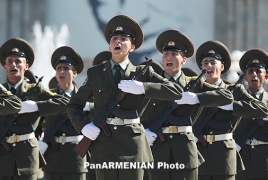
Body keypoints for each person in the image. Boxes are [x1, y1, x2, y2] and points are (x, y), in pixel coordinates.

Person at [67, 14, 184, 180]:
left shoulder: (143, 73)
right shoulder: (96, 73)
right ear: (109, 46)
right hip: (103, 144)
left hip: (132, 144)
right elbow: (73, 105)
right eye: (114, 38)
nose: (118, 42)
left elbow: (176, 91)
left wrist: (144, 87)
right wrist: (84, 126)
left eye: (123, 39)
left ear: (132, 47)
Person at [145, 30, 233, 180]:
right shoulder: (151, 84)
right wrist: (144, 130)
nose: (169, 58)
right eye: (166, 54)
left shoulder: (194, 83)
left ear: (184, 60)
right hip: (157, 152)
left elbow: (226, 96)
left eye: (174, 54)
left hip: (185, 154)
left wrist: (196, 98)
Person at [192, 40, 267, 180]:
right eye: (205, 62)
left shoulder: (234, 91)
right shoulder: (194, 92)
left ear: (222, 67)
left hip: (224, 159)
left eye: (213, 62)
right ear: (201, 66)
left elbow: (261, 109)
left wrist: (232, 106)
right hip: (198, 156)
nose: (208, 66)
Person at [0, 37, 69, 180]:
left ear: (27, 66)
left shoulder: (36, 90)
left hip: (27, 156)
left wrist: (36, 106)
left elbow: (64, 102)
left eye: (18, 61)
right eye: (10, 61)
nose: (14, 65)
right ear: (4, 66)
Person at [39, 46, 91, 180]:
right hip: (52, 157)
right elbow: (36, 123)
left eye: (66, 68)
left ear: (75, 73)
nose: (61, 72)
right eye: (58, 68)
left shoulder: (83, 98)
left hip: (75, 159)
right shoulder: (47, 97)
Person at [235, 49, 268, 180]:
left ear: (266, 76)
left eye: (258, 71)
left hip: (265, 159)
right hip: (242, 157)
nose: (254, 75)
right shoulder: (236, 101)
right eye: (250, 72)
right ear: (245, 77)